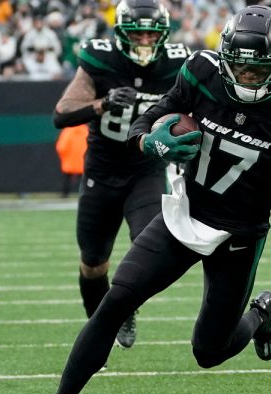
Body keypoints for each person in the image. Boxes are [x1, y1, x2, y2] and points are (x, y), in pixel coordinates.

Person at [1, 5, 271, 394]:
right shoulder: (201, 71)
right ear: (226, 56)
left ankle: (260, 313)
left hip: (240, 233)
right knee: (115, 302)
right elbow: (150, 118)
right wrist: (147, 144)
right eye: (241, 66)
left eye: (259, 69)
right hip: (184, 213)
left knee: (208, 352)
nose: (248, 76)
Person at [50, 0, 191, 350]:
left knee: (147, 246)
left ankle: (124, 304)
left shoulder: (178, 62)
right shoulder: (102, 58)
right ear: (121, 33)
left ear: (164, 34)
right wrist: (103, 103)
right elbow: (62, 112)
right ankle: (99, 335)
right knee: (92, 261)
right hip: (101, 170)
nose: (144, 39)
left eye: (151, 33)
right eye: (137, 32)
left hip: (145, 168)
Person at [54, 124, 87, 198]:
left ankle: (65, 194)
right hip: (82, 161)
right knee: (84, 179)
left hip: (69, 161)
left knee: (67, 178)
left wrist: (64, 157)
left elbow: (61, 147)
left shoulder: (68, 131)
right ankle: (84, 193)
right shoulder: (85, 130)